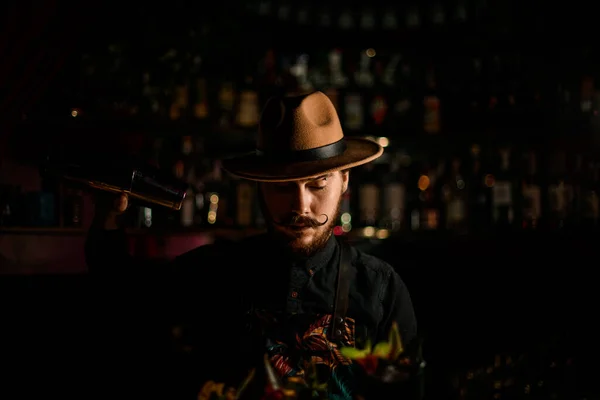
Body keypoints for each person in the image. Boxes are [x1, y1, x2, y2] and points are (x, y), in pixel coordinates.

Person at [85, 91, 417, 399]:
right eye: (283, 186)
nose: (301, 205)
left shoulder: (379, 289)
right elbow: (121, 292)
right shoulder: (214, 271)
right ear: (259, 186)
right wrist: (107, 218)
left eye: (317, 184)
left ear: (344, 179)